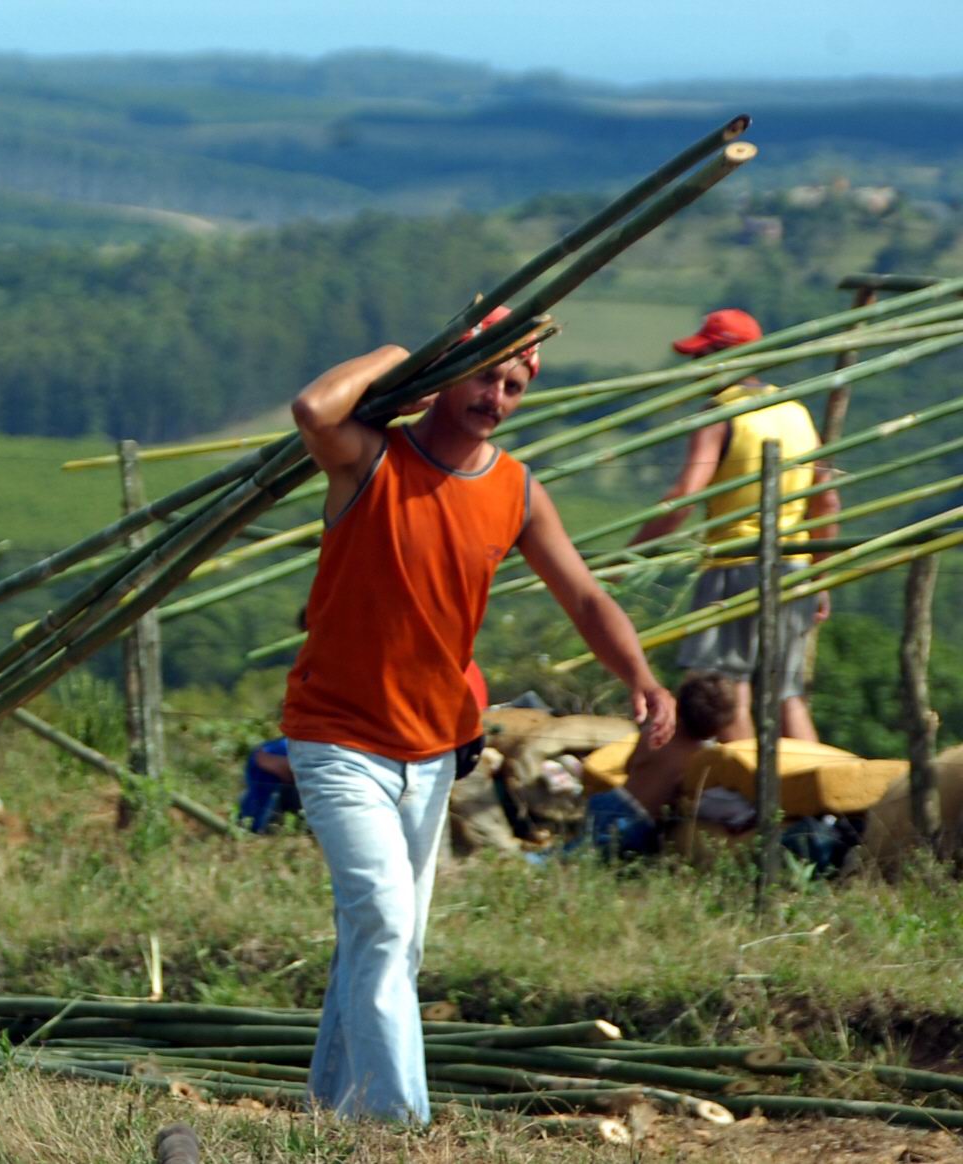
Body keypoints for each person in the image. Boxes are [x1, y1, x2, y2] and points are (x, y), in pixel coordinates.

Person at [282, 310, 676, 1124]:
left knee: (389, 938)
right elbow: (316, 411)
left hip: (431, 749)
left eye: (513, 384)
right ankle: (399, 1127)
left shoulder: (516, 491)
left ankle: (329, 1108)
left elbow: (586, 594)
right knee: (386, 923)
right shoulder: (373, 457)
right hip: (337, 736)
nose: (495, 396)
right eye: (482, 375)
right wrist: (400, 357)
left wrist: (639, 674)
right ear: (444, 373)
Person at [629, 309, 840, 743]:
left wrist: (630, 554)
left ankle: (742, 795)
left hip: (733, 568)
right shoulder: (796, 412)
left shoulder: (720, 415)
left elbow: (683, 498)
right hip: (792, 571)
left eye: (704, 356)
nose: (697, 369)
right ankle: (815, 802)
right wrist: (819, 578)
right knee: (787, 695)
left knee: (727, 691)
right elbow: (826, 501)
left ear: (727, 358)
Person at [582, 671, 739, 858]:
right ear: (718, 727)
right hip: (637, 822)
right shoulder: (698, 758)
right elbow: (684, 799)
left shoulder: (654, 733)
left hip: (610, 799)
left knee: (582, 848)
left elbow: (629, 766)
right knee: (599, 855)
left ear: (679, 704)